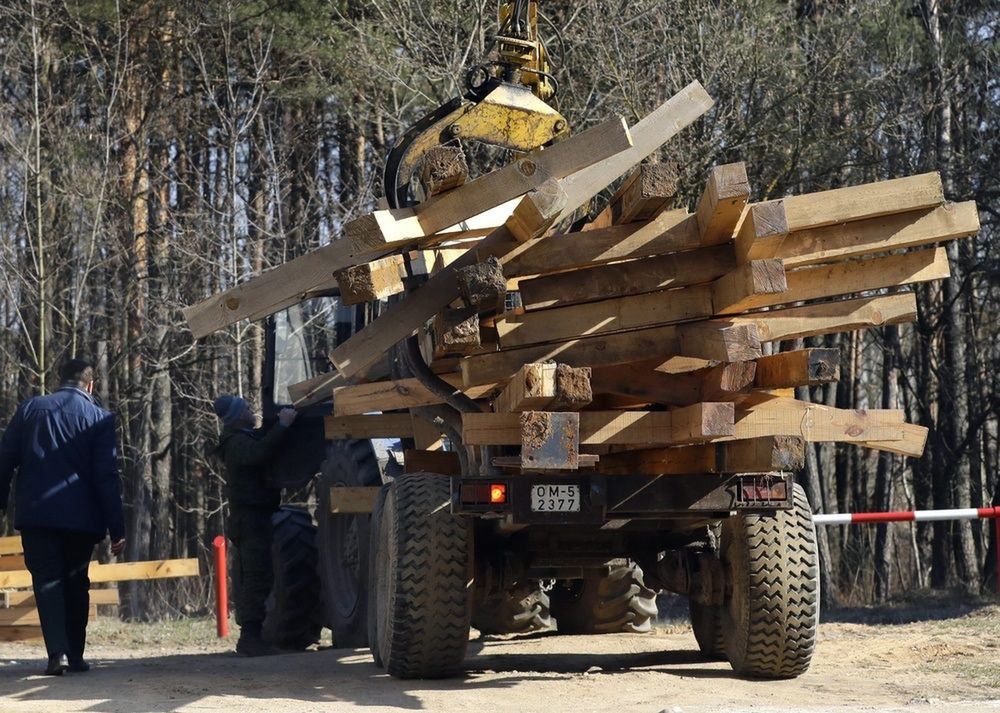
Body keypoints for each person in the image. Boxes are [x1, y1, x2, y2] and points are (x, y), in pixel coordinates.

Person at [0, 358, 126, 676]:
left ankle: (56, 652)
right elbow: (106, 476)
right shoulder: (99, 418)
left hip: (37, 516)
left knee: (46, 582)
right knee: (75, 582)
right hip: (81, 520)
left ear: (59, 379)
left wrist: (1, 504)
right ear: (91, 384)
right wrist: (117, 527)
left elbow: (4, 461)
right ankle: (77, 655)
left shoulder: (30, 410)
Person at [213, 394, 296, 657]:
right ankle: (250, 638)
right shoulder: (236, 443)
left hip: (254, 516)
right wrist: (282, 426)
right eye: (247, 408)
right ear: (238, 416)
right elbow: (259, 453)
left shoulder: (241, 437)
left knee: (259, 575)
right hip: (249, 519)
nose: (252, 411)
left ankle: (253, 636)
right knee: (255, 577)